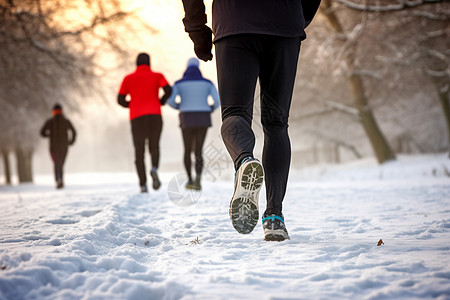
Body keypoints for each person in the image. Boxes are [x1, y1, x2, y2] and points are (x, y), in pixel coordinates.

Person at [181, 0, 321, 241]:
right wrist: (298, 14)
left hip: (234, 23)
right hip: (285, 24)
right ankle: (274, 217)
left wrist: (196, 27)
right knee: (277, 124)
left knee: (235, 113)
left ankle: (244, 159)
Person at [118, 52, 172, 193]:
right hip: (155, 115)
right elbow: (168, 89)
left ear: (136, 63)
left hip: (137, 117)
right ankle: (154, 168)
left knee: (139, 151)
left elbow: (120, 99)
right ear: (149, 63)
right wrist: (161, 101)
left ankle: (142, 184)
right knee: (154, 146)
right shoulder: (157, 76)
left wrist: (131, 104)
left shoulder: (128, 78)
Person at [167, 57, 220, 190]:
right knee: (198, 151)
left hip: (186, 117)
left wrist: (179, 106)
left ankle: (189, 179)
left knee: (187, 149)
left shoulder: (178, 83)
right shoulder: (208, 83)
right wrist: (210, 108)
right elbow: (217, 100)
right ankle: (198, 180)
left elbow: (170, 100)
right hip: (203, 117)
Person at [40, 103, 76, 189]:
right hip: (64, 146)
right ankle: (60, 180)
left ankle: (59, 180)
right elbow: (74, 132)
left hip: (53, 147)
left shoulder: (50, 122)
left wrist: (49, 135)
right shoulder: (66, 121)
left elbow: (42, 132)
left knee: (57, 163)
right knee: (60, 164)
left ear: (53, 112)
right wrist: (71, 142)